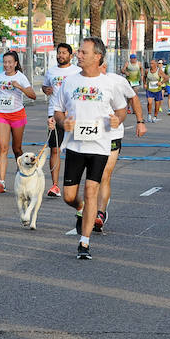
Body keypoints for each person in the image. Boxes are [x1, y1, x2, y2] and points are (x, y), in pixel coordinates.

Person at [52, 37, 127, 260]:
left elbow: (122, 110)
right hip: (75, 145)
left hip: (100, 147)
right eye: (79, 52)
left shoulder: (109, 83)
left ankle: (84, 243)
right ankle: (82, 207)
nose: (78, 55)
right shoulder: (69, 81)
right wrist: (62, 121)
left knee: (92, 190)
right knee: (69, 196)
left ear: (98, 56)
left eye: (84, 52)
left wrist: (117, 120)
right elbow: (58, 110)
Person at [95, 58, 146, 232]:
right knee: (92, 176)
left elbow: (133, 98)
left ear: (104, 65)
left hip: (112, 135)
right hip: (90, 136)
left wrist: (140, 121)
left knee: (104, 175)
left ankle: (100, 213)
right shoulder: (81, 81)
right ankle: (89, 208)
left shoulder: (117, 81)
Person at [0, 51, 36, 193]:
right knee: (3, 147)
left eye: (10, 62)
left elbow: (32, 95)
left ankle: (21, 170)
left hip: (17, 114)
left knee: (17, 149)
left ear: (15, 63)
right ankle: (1, 181)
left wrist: (19, 87)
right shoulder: (0, 76)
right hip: (2, 113)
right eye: (5, 62)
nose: (7, 65)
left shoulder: (21, 77)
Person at [42, 43, 81, 197]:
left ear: (70, 55)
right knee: (55, 149)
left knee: (75, 150)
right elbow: (45, 87)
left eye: (64, 53)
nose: (61, 55)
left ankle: (73, 183)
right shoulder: (51, 71)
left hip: (72, 114)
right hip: (54, 113)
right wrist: (46, 90)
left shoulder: (77, 71)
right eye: (59, 53)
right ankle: (55, 185)